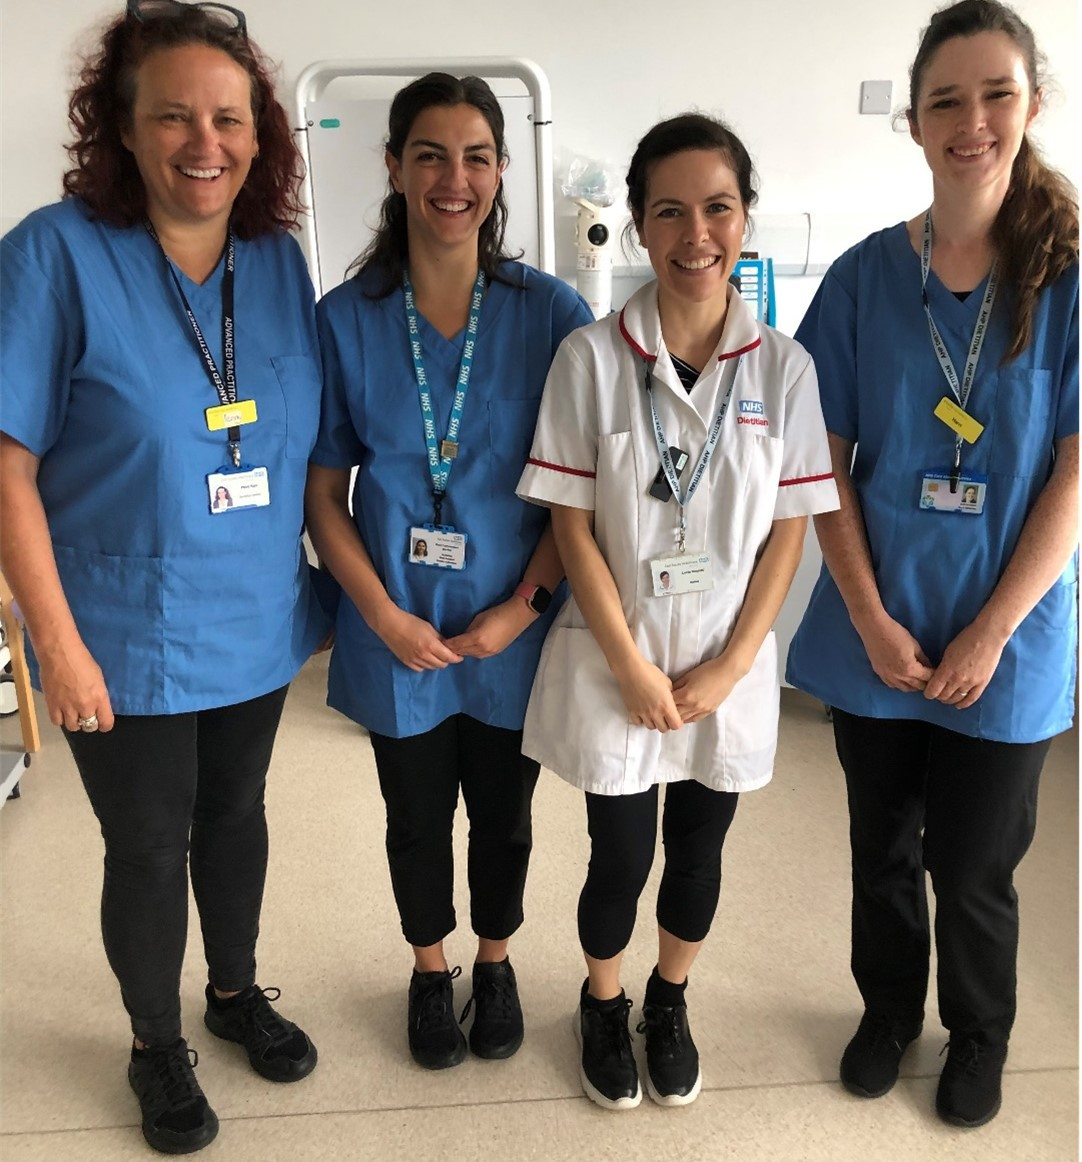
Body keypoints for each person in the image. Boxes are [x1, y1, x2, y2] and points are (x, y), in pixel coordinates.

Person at [0, 1, 328, 1154]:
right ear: (124, 127)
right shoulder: (53, 254)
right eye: (174, 116)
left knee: (236, 814)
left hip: (254, 616)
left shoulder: (276, 261)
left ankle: (232, 993)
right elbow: (7, 462)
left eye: (229, 118)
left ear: (259, 135)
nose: (205, 142)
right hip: (119, 631)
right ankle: (155, 1041)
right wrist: (56, 643)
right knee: (146, 846)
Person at [785, 0, 1077, 1130]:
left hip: (1007, 638)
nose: (971, 122)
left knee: (973, 864)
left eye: (995, 94)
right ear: (912, 122)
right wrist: (866, 617)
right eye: (945, 101)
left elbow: (1073, 475)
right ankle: (886, 1013)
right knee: (880, 848)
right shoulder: (864, 280)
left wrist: (991, 630)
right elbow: (822, 462)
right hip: (880, 630)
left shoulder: (1065, 277)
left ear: (1031, 105)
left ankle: (978, 1033)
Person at [517, 114, 838, 1110]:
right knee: (617, 855)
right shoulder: (588, 357)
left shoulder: (783, 368)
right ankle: (602, 1000)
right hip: (616, 658)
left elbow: (788, 533)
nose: (695, 234)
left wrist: (732, 665)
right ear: (638, 224)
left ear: (745, 218)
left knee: (699, 849)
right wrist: (628, 663)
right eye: (669, 211)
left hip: (723, 666)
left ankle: (668, 998)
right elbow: (571, 525)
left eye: (717, 208)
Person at [304, 73, 594, 1071]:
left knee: (505, 819)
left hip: (510, 626)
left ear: (501, 170)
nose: (452, 178)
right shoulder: (346, 318)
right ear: (394, 167)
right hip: (397, 628)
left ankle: (495, 960)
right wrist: (382, 616)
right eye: (429, 155)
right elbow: (322, 495)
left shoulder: (550, 314)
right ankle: (431, 968)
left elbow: (577, 496)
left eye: (475, 156)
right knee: (414, 818)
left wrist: (524, 606)